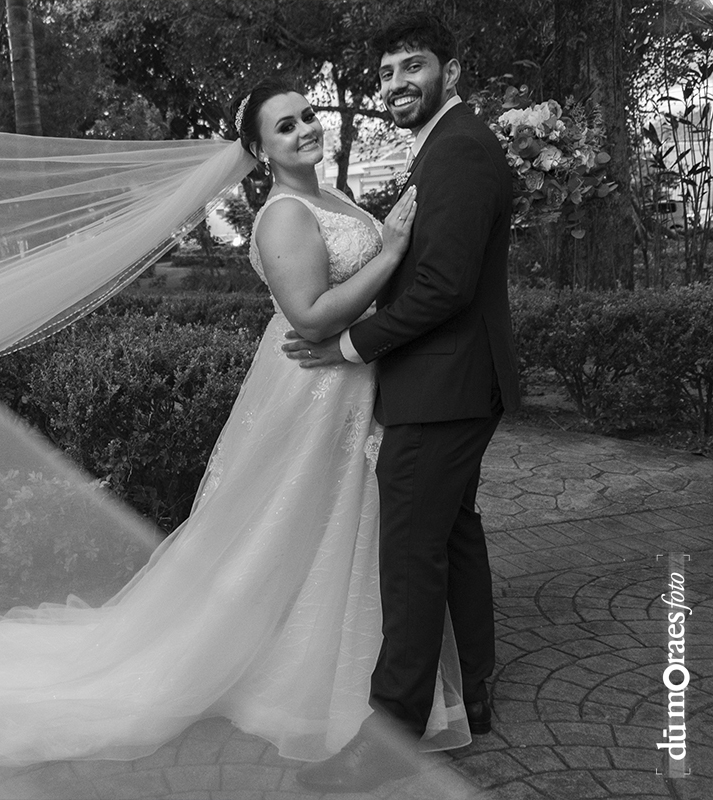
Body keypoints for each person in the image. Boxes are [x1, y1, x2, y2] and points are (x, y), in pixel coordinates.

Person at [0, 78, 473, 766]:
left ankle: (335, 653)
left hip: (352, 380)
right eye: (285, 127)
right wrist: (394, 251)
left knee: (338, 521)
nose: (306, 128)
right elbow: (313, 317)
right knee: (287, 521)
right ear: (258, 149)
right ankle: (262, 659)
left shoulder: (331, 196)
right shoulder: (283, 214)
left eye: (308, 115)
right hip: (314, 390)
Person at [286, 12, 520, 793]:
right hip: (456, 382)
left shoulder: (457, 151)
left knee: (410, 557)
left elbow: (445, 288)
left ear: (449, 73)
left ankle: (389, 734)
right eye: (387, 73)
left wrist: (350, 347)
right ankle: (476, 692)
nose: (396, 85)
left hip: (442, 385)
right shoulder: (449, 147)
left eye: (412, 67)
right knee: (452, 536)